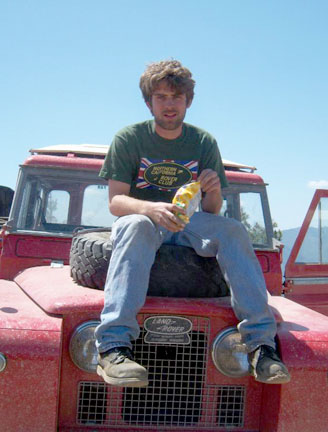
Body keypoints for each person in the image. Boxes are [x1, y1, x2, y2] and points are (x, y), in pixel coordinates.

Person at [94, 59, 290, 387]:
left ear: (188, 101)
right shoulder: (129, 139)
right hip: (146, 222)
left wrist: (212, 190)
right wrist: (150, 209)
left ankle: (261, 346)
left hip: (190, 223)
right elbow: (116, 202)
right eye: (161, 97)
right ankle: (113, 347)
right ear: (148, 102)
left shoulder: (203, 143)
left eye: (177, 97)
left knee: (233, 230)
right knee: (134, 225)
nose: (169, 104)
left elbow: (212, 212)